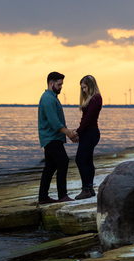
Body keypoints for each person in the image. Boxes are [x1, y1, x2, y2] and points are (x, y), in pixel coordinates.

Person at [37, 71, 77, 205]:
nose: (61, 87)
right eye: (59, 85)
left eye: (62, 85)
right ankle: (62, 195)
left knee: (50, 166)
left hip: (50, 138)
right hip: (51, 138)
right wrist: (68, 133)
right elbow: (54, 122)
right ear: (51, 83)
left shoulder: (51, 97)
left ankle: (43, 197)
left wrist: (68, 132)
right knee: (63, 162)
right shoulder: (48, 99)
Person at [74, 75, 103, 200]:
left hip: (91, 133)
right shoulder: (91, 99)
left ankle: (86, 189)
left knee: (80, 160)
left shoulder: (96, 98)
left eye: (85, 87)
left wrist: (77, 132)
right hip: (88, 133)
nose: (83, 90)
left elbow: (88, 119)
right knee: (87, 161)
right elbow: (84, 119)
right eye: (82, 88)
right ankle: (90, 188)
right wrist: (79, 132)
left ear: (91, 85)